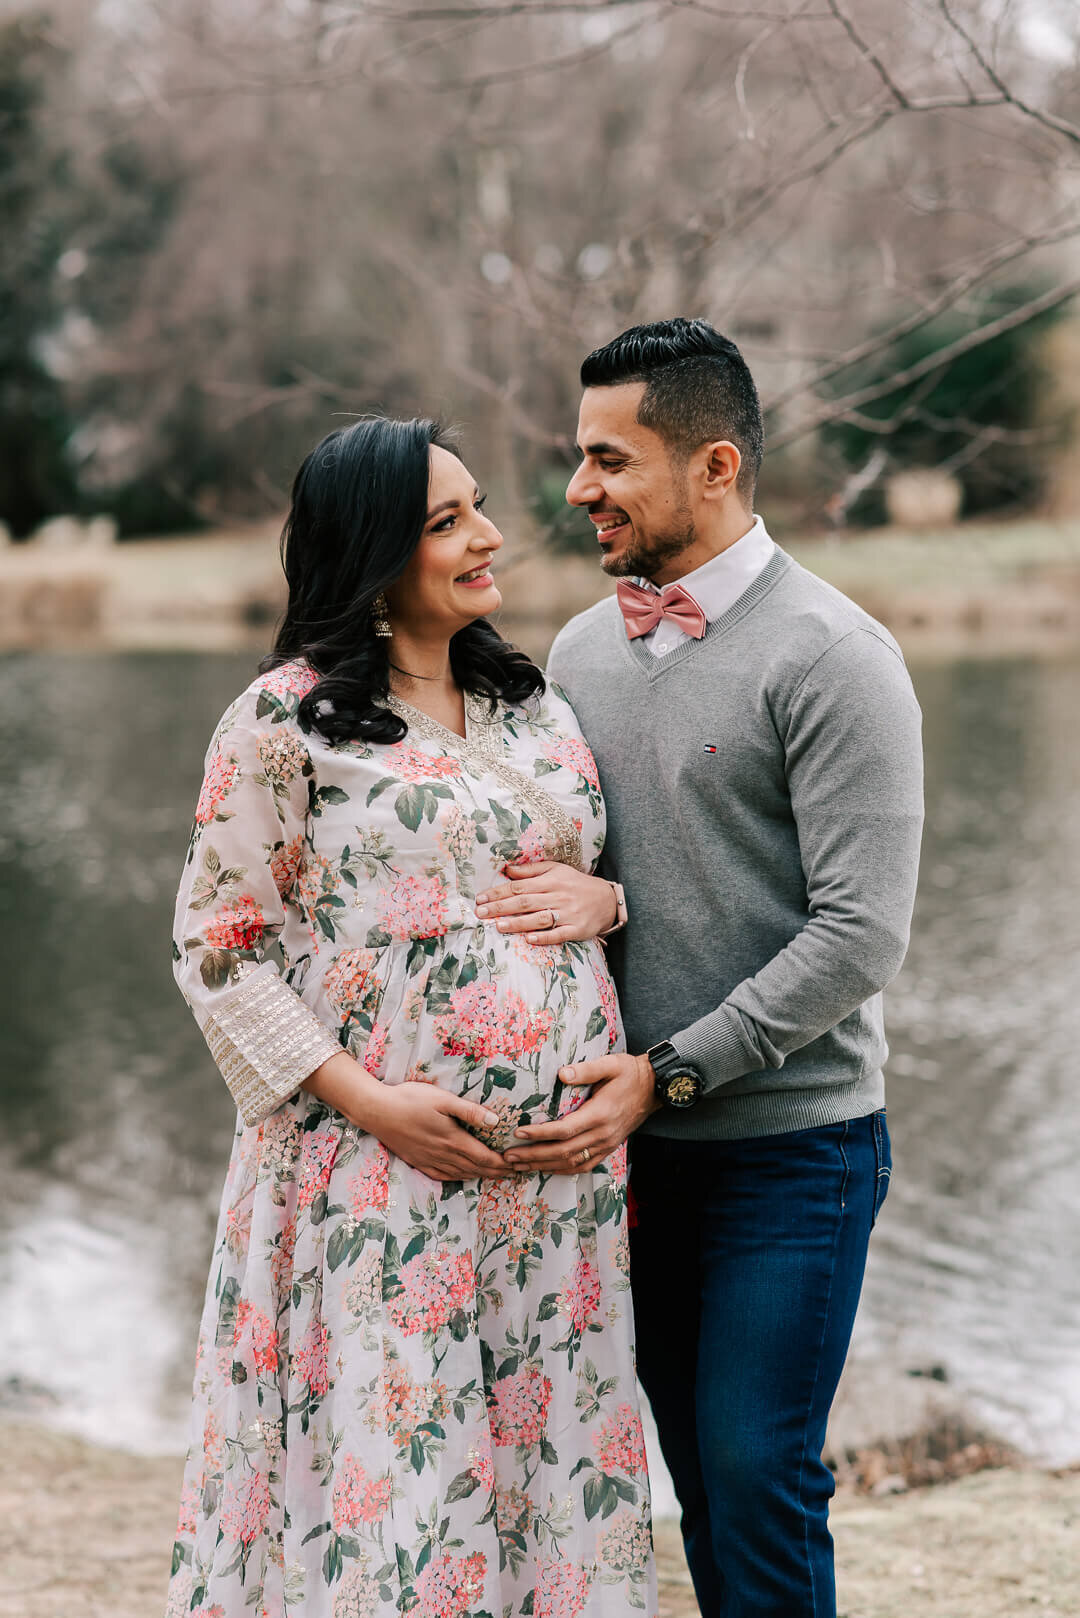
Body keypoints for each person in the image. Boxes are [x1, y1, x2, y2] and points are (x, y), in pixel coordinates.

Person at [165, 417, 657, 1618]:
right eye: (446, 522)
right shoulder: (282, 723)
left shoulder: (534, 702)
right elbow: (215, 948)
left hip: (554, 1194)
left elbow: (589, 876)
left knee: (550, 1474)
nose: (490, 535)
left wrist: (611, 894)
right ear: (373, 549)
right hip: (371, 1182)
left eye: (478, 506)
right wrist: (372, 1100)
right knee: (400, 1484)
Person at [478, 319, 925, 1617]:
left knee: (755, 1465)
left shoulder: (838, 659)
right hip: (631, 1149)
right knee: (690, 1469)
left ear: (714, 465)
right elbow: (591, 871)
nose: (577, 490)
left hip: (793, 1148)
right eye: (580, 457)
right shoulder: (572, 655)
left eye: (610, 459)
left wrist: (667, 1072)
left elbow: (859, 933)